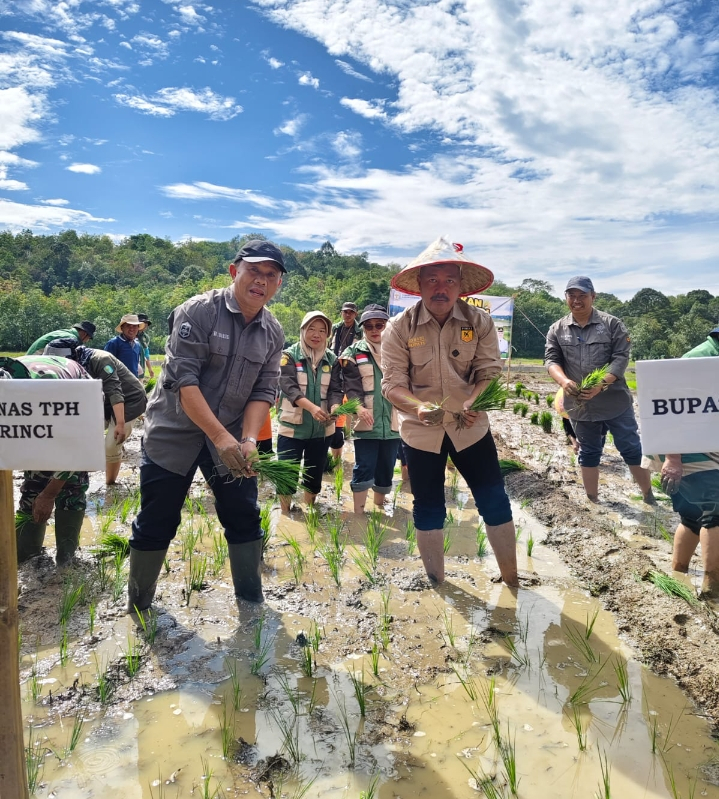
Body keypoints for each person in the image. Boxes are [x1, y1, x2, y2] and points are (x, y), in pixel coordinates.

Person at [128, 239, 286, 612]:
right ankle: (138, 606)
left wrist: (247, 438)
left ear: (278, 284)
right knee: (157, 518)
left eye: (271, 275)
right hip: (174, 430)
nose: (261, 281)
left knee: (244, 515)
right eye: (253, 271)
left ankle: (251, 604)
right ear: (234, 272)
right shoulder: (197, 312)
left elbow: (263, 390)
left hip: (231, 433)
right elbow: (185, 382)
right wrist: (219, 437)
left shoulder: (273, 332)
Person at [381, 237, 519, 586]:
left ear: (459, 285)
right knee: (428, 508)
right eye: (432, 280)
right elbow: (392, 385)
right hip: (421, 431)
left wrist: (474, 400)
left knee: (494, 501)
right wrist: (418, 407)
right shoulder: (399, 328)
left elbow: (489, 372)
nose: (440, 289)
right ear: (420, 285)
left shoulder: (480, 322)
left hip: (469, 427)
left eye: (449, 281)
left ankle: (512, 580)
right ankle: (436, 584)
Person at [545, 276, 655, 504]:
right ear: (566, 298)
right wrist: (564, 382)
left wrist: (601, 384)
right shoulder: (557, 329)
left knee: (631, 449)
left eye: (582, 296)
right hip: (580, 406)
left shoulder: (612, 324)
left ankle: (648, 495)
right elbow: (551, 361)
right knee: (589, 452)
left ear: (593, 297)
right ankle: (593, 501)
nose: (577, 301)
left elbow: (621, 357)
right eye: (571, 296)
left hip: (614, 403)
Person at [2, 353, 92, 567]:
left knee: (71, 484)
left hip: (77, 396)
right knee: (34, 482)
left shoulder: (50, 390)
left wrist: (50, 493)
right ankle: (26, 555)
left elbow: (75, 444)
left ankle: (66, 559)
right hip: (34, 407)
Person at [650, 326, 719, 597]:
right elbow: (667, 408)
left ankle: (678, 575)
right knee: (716, 511)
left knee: (692, 515)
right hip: (684, 447)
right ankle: (713, 589)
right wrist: (673, 457)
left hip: (707, 444)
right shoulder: (698, 360)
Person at [44, 338, 147, 486]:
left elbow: (115, 391)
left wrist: (120, 423)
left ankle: (110, 484)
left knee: (112, 443)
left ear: (72, 355)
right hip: (104, 401)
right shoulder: (70, 366)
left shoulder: (101, 360)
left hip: (131, 400)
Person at [335, 304, 400, 514]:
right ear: (363, 328)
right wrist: (359, 408)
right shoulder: (353, 353)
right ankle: (359, 516)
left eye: (379, 325)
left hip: (393, 421)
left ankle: (380, 508)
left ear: (386, 326)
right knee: (364, 466)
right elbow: (351, 384)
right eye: (369, 326)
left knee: (386, 467)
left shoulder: (400, 351)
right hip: (367, 420)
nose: (374, 330)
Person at [276, 311, 340, 513]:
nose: (316, 334)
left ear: (328, 334)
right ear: (303, 330)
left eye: (322, 330)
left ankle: (309, 511)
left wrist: (335, 406)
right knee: (287, 473)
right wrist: (312, 408)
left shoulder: (332, 359)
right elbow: (289, 386)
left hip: (322, 430)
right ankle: (286, 513)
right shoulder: (288, 356)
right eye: (311, 329)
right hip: (292, 428)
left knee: (314, 473)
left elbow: (335, 389)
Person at [328, 302, 362, 463]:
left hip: (351, 371)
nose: (347, 315)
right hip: (334, 368)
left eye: (351, 312)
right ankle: (335, 456)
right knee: (334, 409)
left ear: (355, 314)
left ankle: (339, 455)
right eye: (345, 312)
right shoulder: (335, 328)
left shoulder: (360, 330)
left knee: (345, 412)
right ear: (341, 313)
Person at [26, 320, 95, 355]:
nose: (87, 341)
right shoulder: (71, 338)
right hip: (34, 359)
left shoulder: (66, 333)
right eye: (89, 338)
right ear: (85, 334)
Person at [137, 314, 155, 379]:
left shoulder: (145, 337)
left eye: (146, 324)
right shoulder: (129, 334)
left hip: (141, 366)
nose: (145, 325)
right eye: (143, 323)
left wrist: (150, 369)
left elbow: (146, 354)